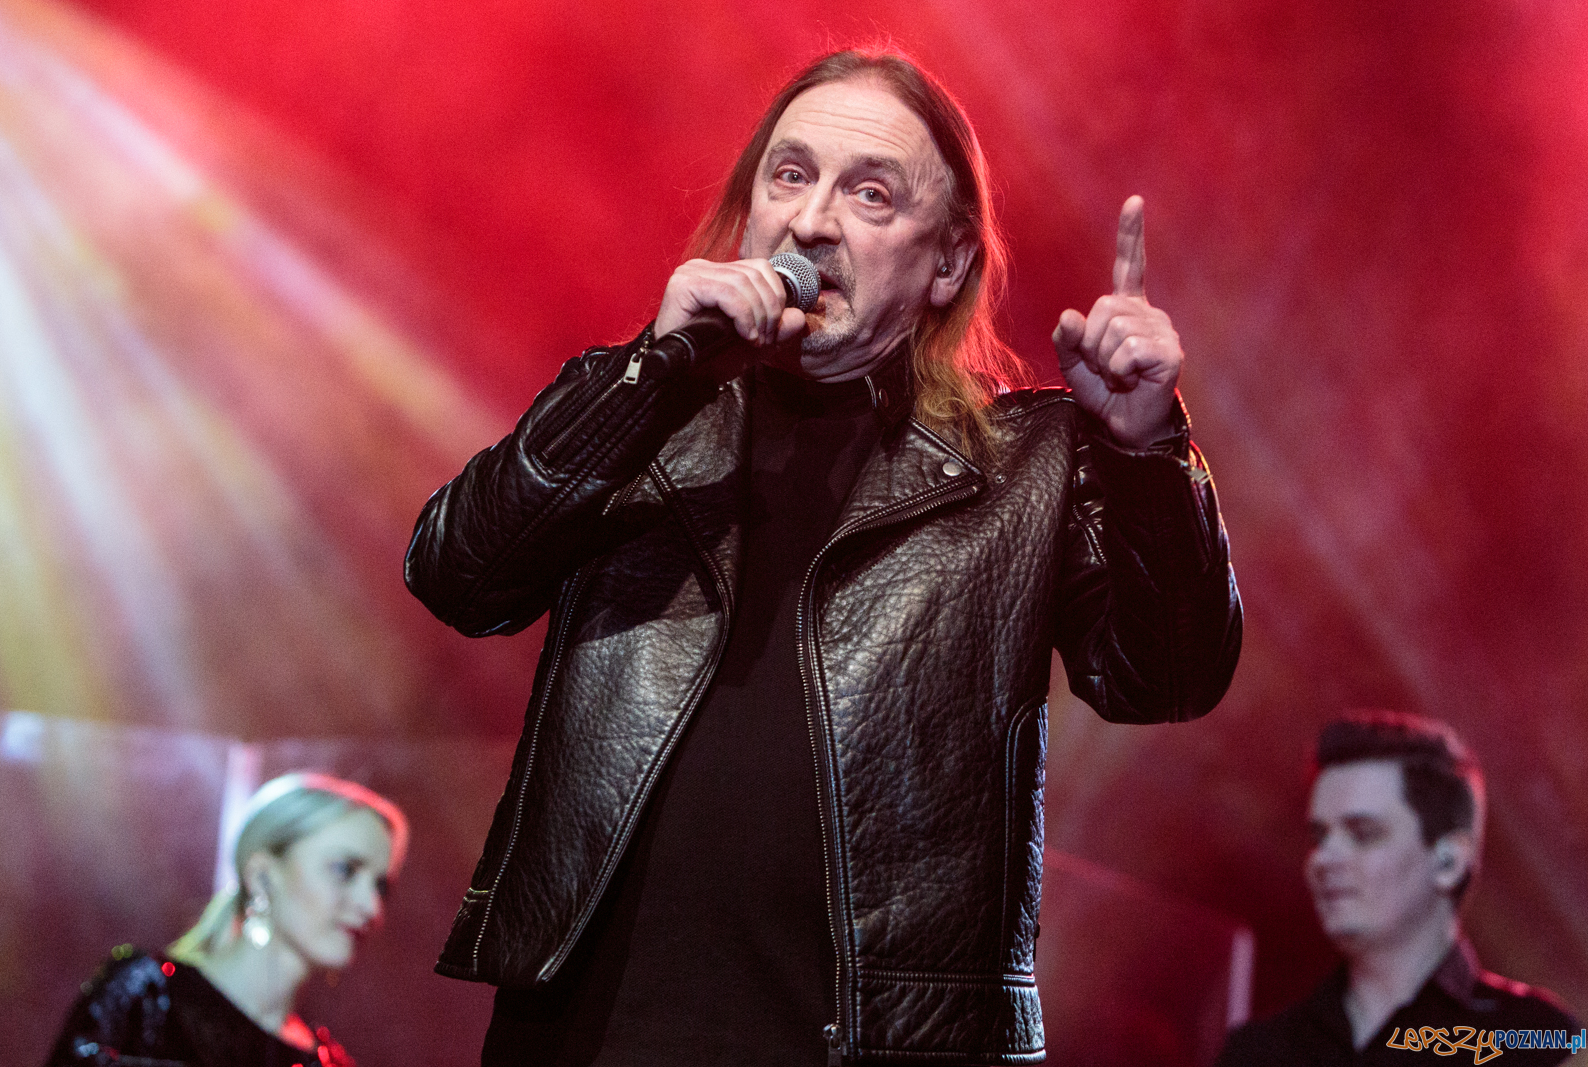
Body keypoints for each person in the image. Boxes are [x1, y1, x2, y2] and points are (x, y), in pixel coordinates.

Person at [405, 48, 1241, 1065]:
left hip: (878, 1042)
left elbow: (1166, 677)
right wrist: (647, 376)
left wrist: (1145, 449)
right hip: (587, 1037)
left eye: (870, 193)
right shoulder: (638, 414)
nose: (811, 220)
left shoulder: (1026, 466)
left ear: (947, 264)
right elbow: (457, 575)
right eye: (790, 175)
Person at [1216, 712, 1581, 1066]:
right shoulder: (1258, 1052)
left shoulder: (1538, 1040)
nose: (1324, 859)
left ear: (1449, 861)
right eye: (1320, 837)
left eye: (1363, 834)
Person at [46, 772, 410, 1067]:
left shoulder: (328, 1062)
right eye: (345, 870)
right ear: (263, 875)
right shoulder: (146, 997)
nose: (371, 907)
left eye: (380, 886)